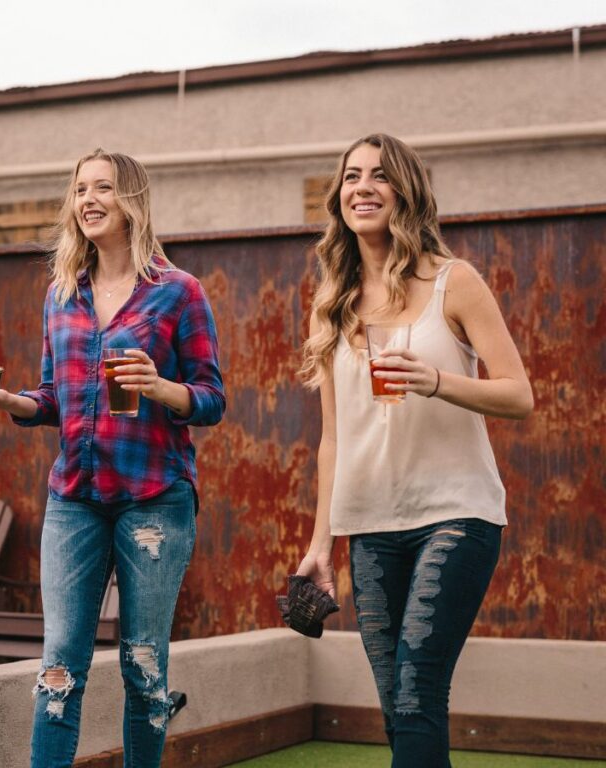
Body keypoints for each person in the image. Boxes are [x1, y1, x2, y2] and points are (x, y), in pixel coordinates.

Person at [0, 149, 225, 768]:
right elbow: (57, 397)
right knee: (59, 665)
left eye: (103, 188)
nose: (88, 200)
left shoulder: (179, 293)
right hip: (74, 498)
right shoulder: (62, 295)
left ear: (130, 199)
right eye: (80, 189)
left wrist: (160, 387)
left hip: (154, 498)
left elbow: (212, 399)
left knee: (142, 663)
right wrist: (11, 401)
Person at [295, 133, 533, 767]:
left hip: (455, 514)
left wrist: (437, 380)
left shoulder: (454, 282)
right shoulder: (332, 305)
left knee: (416, 693)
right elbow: (333, 439)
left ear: (406, 191)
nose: (362, 187)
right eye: (351, 176)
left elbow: (519, 395)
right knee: (397, 705)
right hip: (371, 524)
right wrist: (322, 544)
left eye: (379, 175)